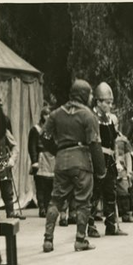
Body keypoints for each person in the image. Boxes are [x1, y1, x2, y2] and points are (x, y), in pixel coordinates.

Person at [42, 79, 106, 253]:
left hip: (62, 161)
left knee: (55, 200)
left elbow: (44, 137)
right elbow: (94, 144)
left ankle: (48, 240)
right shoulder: (88, 115)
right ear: (83, 94)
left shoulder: (56, 114)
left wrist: (58, 151)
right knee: (83, 201)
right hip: (82, 161)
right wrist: (101, 170)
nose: (92, 97)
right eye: (90, 94)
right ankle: (80, 240)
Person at [87, 82, 128, 237]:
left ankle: (111, 226)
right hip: (97, 158)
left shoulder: (111, 119)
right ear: (98, 102)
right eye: (107, 103)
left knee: (111, 192)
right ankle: (90, 226)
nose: (110, 106)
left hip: (110, 158)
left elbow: (115, 142)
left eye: (111, 103)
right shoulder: (92, 118)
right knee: (95, 193)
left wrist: (118, 161)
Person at [28, 106, 53, 218]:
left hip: (51, 159)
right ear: (42, 116)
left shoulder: (52, 129)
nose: (47, 117)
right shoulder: (36, 129)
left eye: (49, 115)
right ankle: (41, 207)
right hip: (40, 158)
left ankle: (47, 207)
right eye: (46, 115)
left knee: (49, 184)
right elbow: (32, 146)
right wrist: (34, 160)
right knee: (40, 185)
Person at [0, 100, 20, 219]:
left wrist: (12, 159)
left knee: (7, 190)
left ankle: (10, 212)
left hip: (2, 162)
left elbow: (14, 145)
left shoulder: (4, 124)